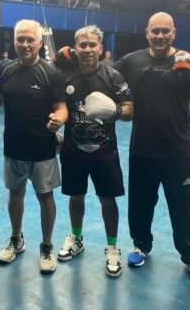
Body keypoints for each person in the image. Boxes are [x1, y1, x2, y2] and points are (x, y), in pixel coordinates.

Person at [114, 12, 190, 286]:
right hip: (142, 149)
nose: (160, 36)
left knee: (185, 207)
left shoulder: (185, 60)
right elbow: (105, 77)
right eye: (155, 31)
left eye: (165, 31)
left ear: (174, 33)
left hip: (178, 150)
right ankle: (141, 245)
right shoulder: (131, 61)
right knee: (140, 203)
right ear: (147, 32)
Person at [56, 25, 133, 278]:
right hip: (73, 151)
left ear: (101, 48)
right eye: (83, 45)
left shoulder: (113, 77)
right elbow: (56, 106)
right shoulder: (65, 76)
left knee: (107, 200)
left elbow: (130, 110)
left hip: (105, 152)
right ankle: (77, 238)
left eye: (92, 45)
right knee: (75, 197)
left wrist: (114, 111)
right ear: (76, 48)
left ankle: (112, 247)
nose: (87, 49)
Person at [0, 19, 68, 274]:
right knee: (15, 195)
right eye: (20, 39)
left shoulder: (51, 73)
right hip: (13, 146)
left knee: (45, 197)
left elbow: (61, 107)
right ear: (14, 41)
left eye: (30, 40)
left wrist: (59, 119)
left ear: (39, 42)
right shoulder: (6, 70)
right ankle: (17, 239)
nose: (25, 44)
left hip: (42, 149)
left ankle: (46, 245)